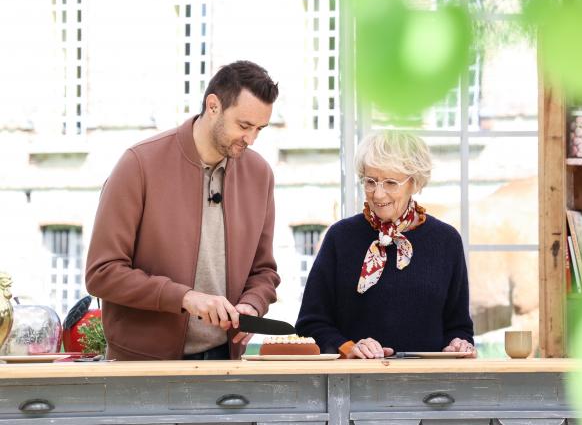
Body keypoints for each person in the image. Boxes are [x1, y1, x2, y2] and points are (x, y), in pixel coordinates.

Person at [85, 60, 281, 360]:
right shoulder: (139, 164)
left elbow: (263, 270)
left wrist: (252, 304)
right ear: (213, 105)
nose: (251, 139)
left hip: (225, 360)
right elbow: (102, 273)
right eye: (243, 126)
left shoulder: (259, 174)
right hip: (144, 365)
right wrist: (185, 298)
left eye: (259, 129)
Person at [296, 131, 475, 359]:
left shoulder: (446, 240)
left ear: (415, 182)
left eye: (391, 182)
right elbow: (310, 325)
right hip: (353, 384)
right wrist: (348, 347)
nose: (378, 194)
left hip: (429, 385)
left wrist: (459, 344)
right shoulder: (340, 238)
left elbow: (459, 327)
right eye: (370, 181)